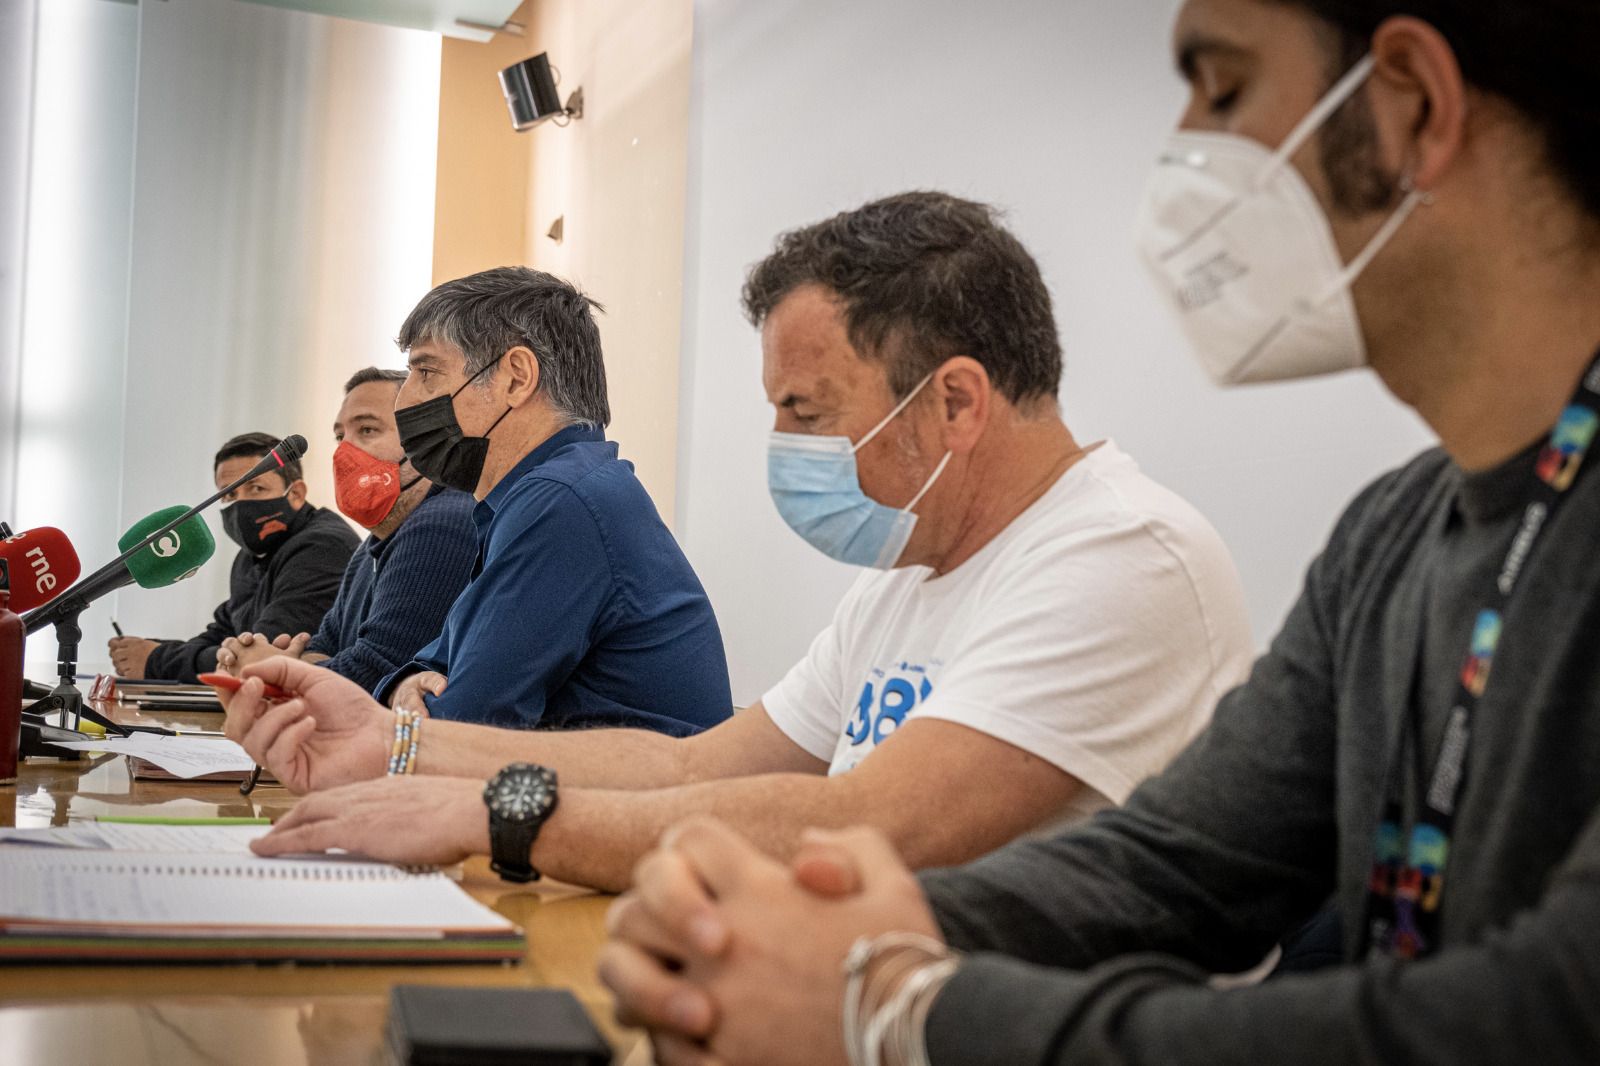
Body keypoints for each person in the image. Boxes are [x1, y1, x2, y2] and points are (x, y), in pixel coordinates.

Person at [596, 2, 1600, 1064]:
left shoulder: (1131, 549)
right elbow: (1174, 864)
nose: (1182, 150)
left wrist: (897, 1006)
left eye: (1220, 88)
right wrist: (818, 940)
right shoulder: (1391, 535)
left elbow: (1547, 1010)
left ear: (1413, 104)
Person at [216, 193, 1253, 894]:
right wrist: (398, 743)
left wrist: (495, 813)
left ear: (955, 401)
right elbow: (689, 767)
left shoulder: (1119, 558)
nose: (781, 448)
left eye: (806, 409)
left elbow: (867, 823)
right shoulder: (911, 576)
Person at [356, 268, 727, 734]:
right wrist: (402, 685)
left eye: (427, 372)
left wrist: (406, 701)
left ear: (516, 378)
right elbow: (437, 661)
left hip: (622, 803)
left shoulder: (561, 503)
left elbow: (462, 727)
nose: (404, 401)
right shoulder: (549, 493)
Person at [216, 368, 479, 695]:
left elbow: (372, 674)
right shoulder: (371, 546)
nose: (344, 452)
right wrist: (290, 663)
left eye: (367, 429)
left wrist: (274, 668)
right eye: (341, 436)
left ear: (425, 441)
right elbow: (323, 646)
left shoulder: (444, 523)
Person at [108, 432, 358, 682]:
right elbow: (225, 632)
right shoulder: (251, 556)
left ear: (296, 494)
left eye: (256, 488)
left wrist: (157, 660)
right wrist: (152, 649)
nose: (240, 504)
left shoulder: (323, 547)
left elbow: (259, 657)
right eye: (228, 495)